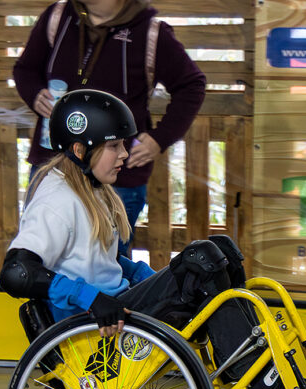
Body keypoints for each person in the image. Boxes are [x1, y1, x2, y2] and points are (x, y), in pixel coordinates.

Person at [0, 90, 306, 389]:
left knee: (222, 251)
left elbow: (106, 261)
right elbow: (17, 272)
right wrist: (91, 298)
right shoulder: (56, 200)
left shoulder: (91, 189)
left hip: (120, 307)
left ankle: (259, 370)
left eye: (123, 145)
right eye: (114, 145)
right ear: (79, 149)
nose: (124, 154)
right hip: (93, 330)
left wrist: (155, 279)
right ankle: (255, 375)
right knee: (202, 257)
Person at [13, 0, 206, 255]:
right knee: (40, 257)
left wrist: (159, 139)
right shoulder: (57, 17)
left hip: (117, 178)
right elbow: (25, 69)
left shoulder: (151, 32)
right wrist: (34, 93)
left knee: (109, 264)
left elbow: (191, 85)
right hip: (53, 165)